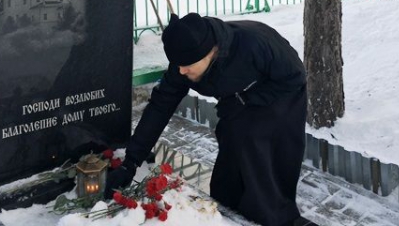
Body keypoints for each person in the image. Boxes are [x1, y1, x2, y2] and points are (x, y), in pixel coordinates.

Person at [105, 13, 313, 226]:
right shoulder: (185, 59)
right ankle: (226, 207)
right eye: (177, 65)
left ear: (211, 53)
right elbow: (160, 106)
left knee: (257, 149)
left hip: (282, 91)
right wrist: (130, 162)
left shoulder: (253, 45)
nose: (181, 71)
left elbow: (295, 76)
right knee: (231, 140)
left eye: (187, 65)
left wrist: (245, 99)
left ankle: (277, 216)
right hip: (240, 94)